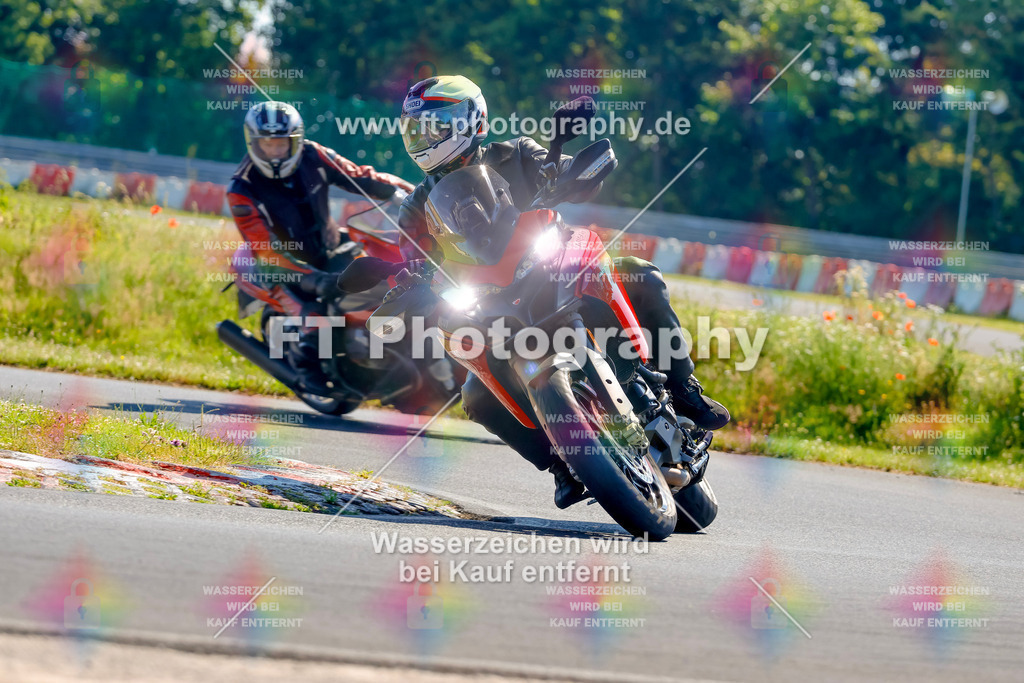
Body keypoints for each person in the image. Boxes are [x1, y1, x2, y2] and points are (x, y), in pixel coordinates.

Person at [395, 76, 730, 508]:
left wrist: (571, 173)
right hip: (487, 301)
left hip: (551, 264)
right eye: (417, 130)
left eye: (435, 126)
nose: (426, 138)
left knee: (642, 277)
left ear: (471, 120)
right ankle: (562, 463)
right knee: (476, 397)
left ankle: (685, 388)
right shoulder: (416, 206)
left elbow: (568, 170)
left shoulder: (516, 152)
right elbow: (410, 262)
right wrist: (402, 284)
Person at [226, 101, 414, 395]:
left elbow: (359, 176)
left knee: (379, 280)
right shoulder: (241, 189)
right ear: (253, 142)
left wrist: (406, 193)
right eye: (267, 145)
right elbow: (266, 251)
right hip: (278, 266)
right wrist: (313, 280)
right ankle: (306, 369)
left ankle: (381, 352)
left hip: (327, 246)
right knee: (314, 315)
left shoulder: (314, 154)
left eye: (282, 144)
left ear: (297, 140)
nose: (275, 152)